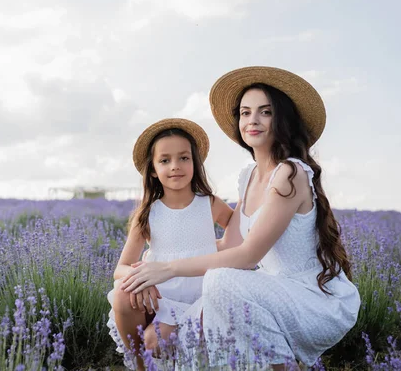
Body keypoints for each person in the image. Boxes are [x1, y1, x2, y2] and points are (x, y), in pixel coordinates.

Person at [121, 67, 361, 369]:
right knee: (159, 339)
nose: (253, 121)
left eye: (265, 112)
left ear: (282, 119)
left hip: (310, 298)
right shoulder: (248, 176)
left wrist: (167, 269)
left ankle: (282, 367)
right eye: (246, 113)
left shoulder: (290, 173)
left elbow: (247, 256)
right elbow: (227, 245)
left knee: (221, 281)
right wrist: (153, 264)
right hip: (266, 291)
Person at [106, 118, 233, 370]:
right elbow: (120, 268)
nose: (175, 166)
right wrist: (140, 277)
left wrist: (215, 248)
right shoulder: (148, 213)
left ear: (195, 163)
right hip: (161, 298)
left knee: (156, 342)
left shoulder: (209, 203)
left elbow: (238, 236)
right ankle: (140, 365)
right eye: (165, 160)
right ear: (153, 169)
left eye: (184, 158)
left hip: (200, 296)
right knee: (123, 294)